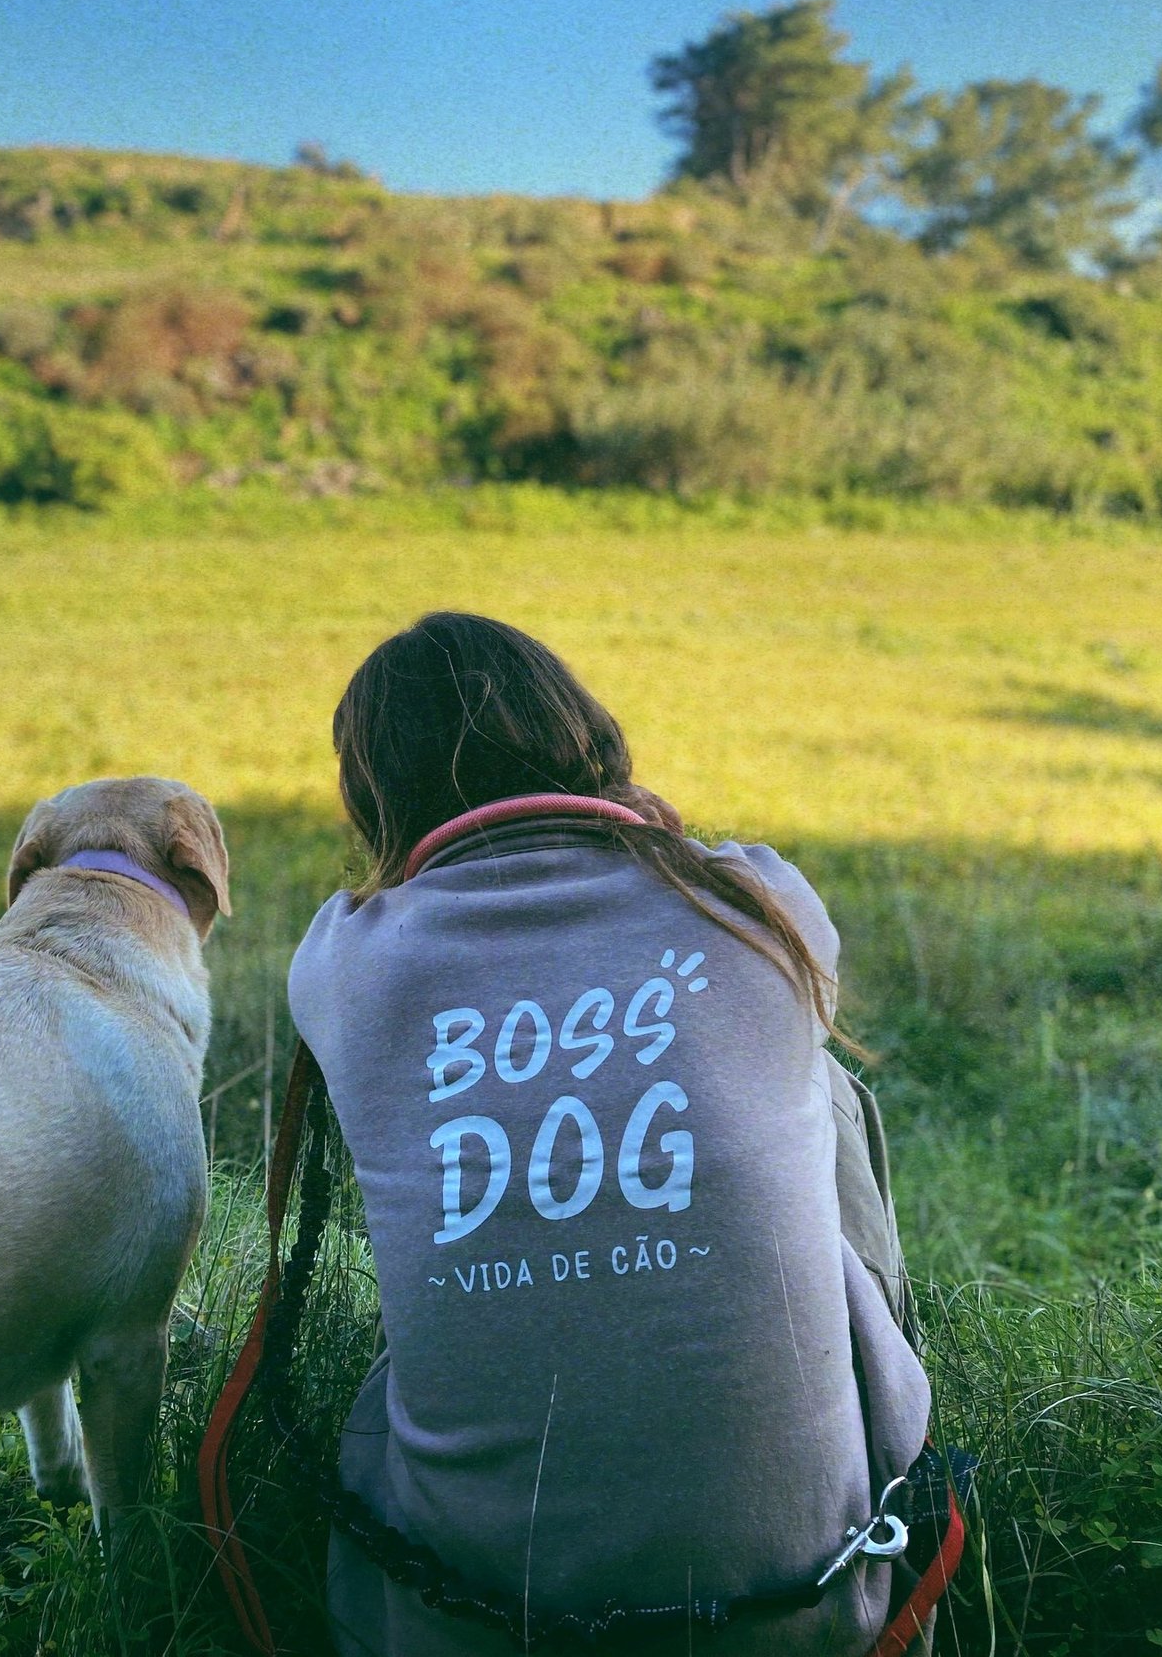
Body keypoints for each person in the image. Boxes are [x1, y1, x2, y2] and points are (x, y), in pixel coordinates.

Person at [286, 611, 932, 1656]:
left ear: (373, 795)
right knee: (820, 1088)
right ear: (585, 732)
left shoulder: (342, 964)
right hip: (808, 1616)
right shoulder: (755, 903)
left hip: (464, 1627)